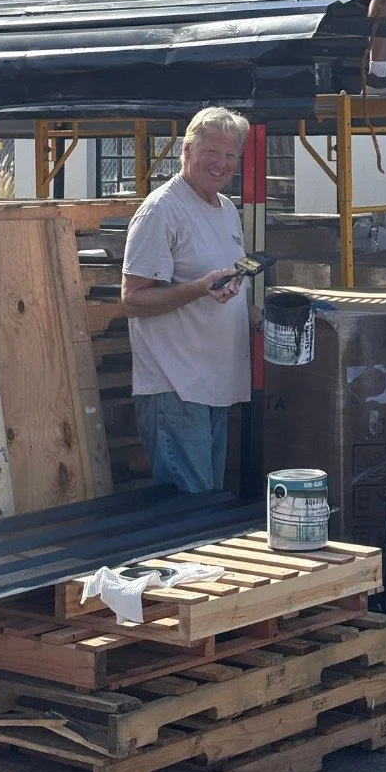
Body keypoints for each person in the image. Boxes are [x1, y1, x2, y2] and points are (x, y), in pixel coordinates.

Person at [120, 107, 251, 493]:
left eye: (231, 156)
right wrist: (198, 288)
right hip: (174, 387)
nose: (222, 164)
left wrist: (260, 316)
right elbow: (132, 299)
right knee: (190, 512)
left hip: (212, 386)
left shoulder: (226, 209)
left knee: (204, 507)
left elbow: (221, 289)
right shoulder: (161, 210)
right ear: (187, 151)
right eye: (213, 152)